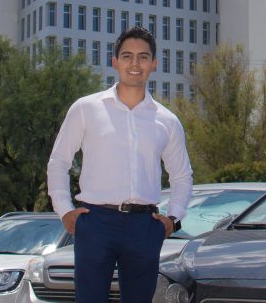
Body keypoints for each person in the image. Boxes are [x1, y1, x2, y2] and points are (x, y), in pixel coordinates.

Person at [47, 26, 193, 303]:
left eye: (142, 57)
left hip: (145, 226)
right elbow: (59, 162)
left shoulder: (168, 121)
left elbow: (182, 176)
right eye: (127, 56)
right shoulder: (86, 109)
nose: (134, 64)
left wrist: (173, 219)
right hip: (95, 223)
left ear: (153, 64)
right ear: (114, 62)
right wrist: (64, 210)